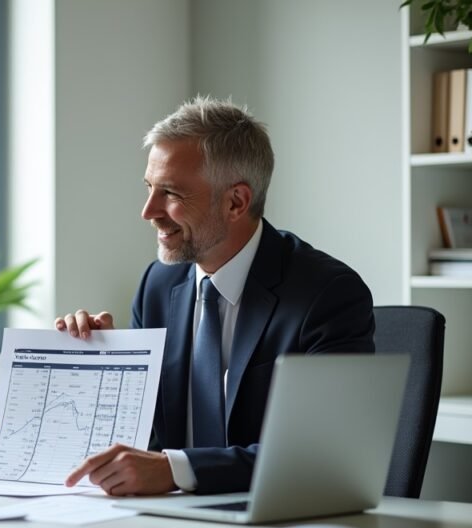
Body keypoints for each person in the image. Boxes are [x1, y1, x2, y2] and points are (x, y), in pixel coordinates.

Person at [57, 96, 374, 496]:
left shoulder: (327, 295)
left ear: (236, 201)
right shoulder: (158, 285)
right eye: (149, 188)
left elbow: (320, 455)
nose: (148, 211)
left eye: (170, 193)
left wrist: (176, 471)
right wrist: (106, 366)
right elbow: (145, 443)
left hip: (273, 527)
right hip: (163, 520)